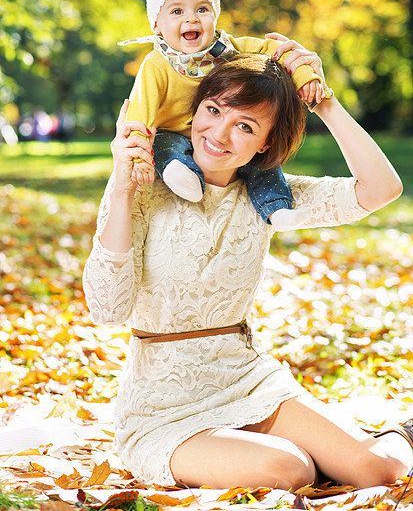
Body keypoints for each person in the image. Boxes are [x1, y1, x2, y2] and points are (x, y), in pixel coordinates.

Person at [83, 39, 413, 491]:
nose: (218, 134)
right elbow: (106, 310)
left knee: (380, 469)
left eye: (244, 125)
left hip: (248, 381)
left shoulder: (269, 199)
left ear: (266, 143)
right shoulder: (140, 188)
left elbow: (381, 189)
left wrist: (324, 102)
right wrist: (121, 187)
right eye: (214, 111)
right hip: (164, 410)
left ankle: (402, 433)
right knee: (288, 468)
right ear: (194, 111)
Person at [118, 0, 325, 229]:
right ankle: (183, 176)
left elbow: (277, 50)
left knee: (261, 162)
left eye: (202, 9)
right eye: (177, 11)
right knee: (166, 147)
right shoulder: (157, 65)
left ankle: (278, 209)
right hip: (172, 133)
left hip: (225, 135)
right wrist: (138, 158)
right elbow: (140, 113)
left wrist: (306, 78)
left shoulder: (228, 49)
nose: (191, 18)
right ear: (157, 25)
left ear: (215, 16)